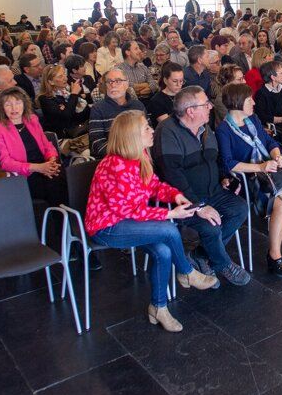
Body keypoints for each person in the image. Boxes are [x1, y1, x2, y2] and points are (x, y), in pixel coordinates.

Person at [88, 111, 219, 330]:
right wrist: (170, 214)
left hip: (129, 222)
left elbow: (155, 187)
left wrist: (175, 195)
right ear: (132, 136)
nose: (152, 131)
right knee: (168, 230)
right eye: (146, 129)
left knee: (164, 252)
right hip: (107, 226)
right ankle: (187, 273)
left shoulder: (141, 157)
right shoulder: (114, 166)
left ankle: (159, 308)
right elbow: (128, 210)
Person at [152, 86, 251, 285]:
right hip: (181, 199)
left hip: (212, 191)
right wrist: (199, 206)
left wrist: (225, 176)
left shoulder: (204, 127)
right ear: (190, 111)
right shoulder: (168, 132)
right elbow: (173, 176)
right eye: (205, 104)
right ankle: (223, 264)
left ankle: (201, 255)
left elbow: (214, 158)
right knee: (211, 226)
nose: (210, 106)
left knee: (240, 208)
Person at [216, 83, 282, 278]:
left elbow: (269, 142)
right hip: (249, 179)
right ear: (237, 103)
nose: (253, 102)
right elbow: (228, 164)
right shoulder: (223, 130)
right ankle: (274, 255)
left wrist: (277, 155)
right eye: (248, 100)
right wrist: (260, 167)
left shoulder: (252, 118)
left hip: (270, 172)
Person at [0, 88, 64, 208]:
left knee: (61, 179)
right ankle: (50, 222)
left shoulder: (33, 120)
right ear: (2, 108)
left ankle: (66, 220)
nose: (14, 108)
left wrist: (51, 161)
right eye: (8, 104)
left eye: (18, 103)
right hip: (22, 174)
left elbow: (47, 146)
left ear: (24, 104)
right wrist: (38, 168)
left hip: (45, 167)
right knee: (48, 188)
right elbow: (5, 163)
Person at [89, 68, 148, 157]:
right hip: (114, 160)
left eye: (118, 81)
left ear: (127, 84)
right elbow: (97, 145)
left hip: (141, 156)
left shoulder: (138, 106)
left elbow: (149, 133)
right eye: (109, 82)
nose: (113, 85)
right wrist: (127, 151)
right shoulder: (98, 109)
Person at [253, 59, 282, 134]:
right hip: (273, 129)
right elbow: (261, 116)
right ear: (273, 77)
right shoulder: (261, 93)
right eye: (281, 73)